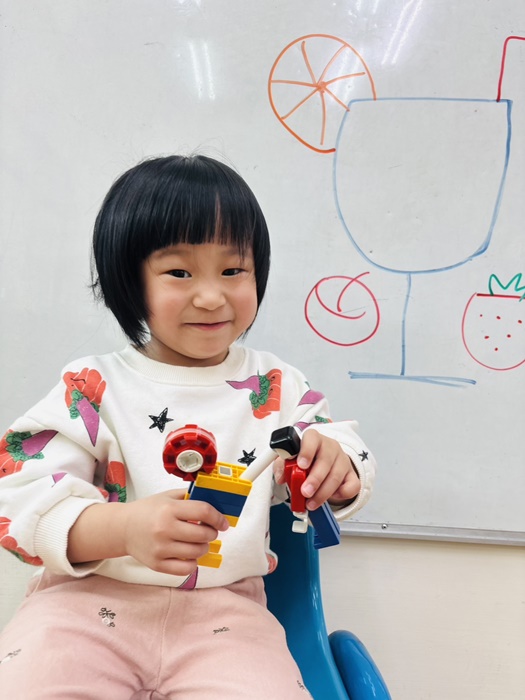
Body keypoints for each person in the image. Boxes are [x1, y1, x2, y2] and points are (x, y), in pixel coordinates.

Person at [0, 154, 376, 699]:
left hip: (226, 618)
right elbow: (18, 500)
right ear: (130, 281)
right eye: (179, 272)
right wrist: (121, 529)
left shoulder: (277, 385)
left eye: (233, 270)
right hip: (84, 608)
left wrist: (337, 466)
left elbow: (338, 443)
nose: (211, 295)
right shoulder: (91, 386)